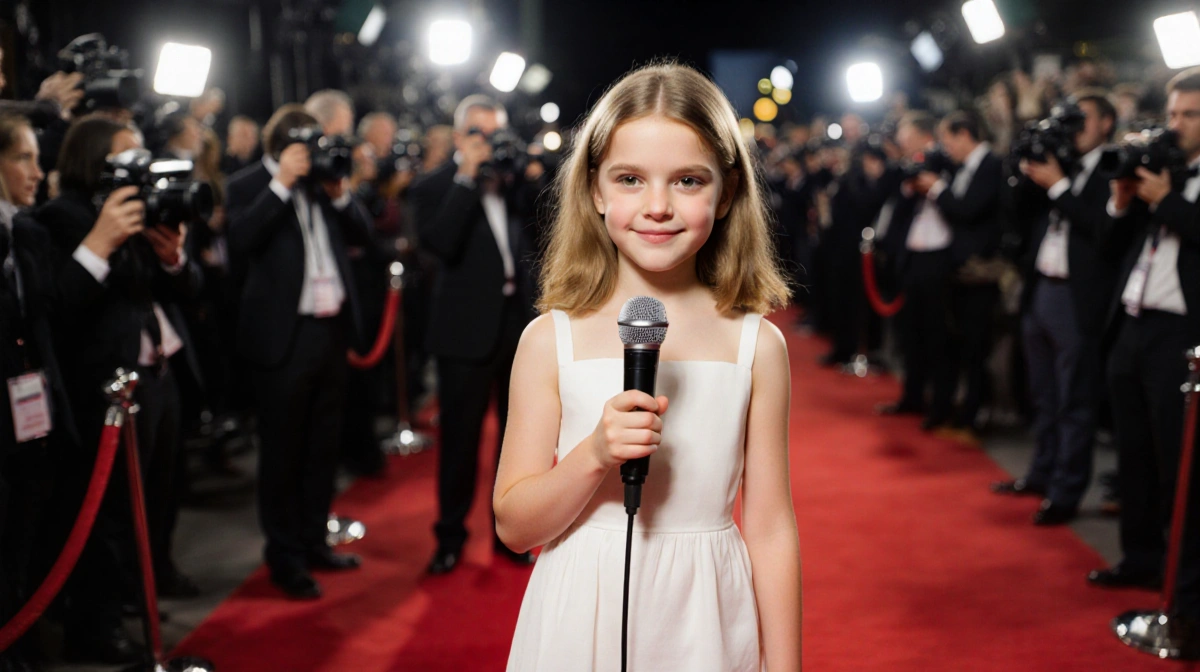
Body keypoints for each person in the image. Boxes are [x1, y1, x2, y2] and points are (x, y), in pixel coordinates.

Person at [495, 63, 801, 671]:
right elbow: (515, 526)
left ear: (726, 193)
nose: (657, 207)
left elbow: (770, 528)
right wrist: (592, 455)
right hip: (579, 614)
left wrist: (785, 666)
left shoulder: (757, 345)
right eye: (630, 179)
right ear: (595, 190)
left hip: (706, 618)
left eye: (688, 180)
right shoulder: (549, 339)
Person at [40, 114, 203, 663]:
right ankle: (97, 626)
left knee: (156, 497)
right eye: (128, 157)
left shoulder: (140, 210)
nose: (142, 166)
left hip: (157, 374)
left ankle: (141, 592)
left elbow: (188, 290)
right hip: (105, 389)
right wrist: (99, 245)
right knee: (106, 512)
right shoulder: (61, 218)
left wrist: (172, 256)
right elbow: (57, 309)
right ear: (96, 162)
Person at [226, 104, 372, 600]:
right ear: (282, 147)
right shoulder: (248, 184)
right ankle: (284, 556)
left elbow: (364, 237)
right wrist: (281, 184)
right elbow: (240, 240)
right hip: (283, 338)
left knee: (322, 446)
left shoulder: (321, 184)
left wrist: (339, 192)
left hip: (330, 332)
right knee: (283, 452)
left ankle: (314, 540)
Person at [1088, 68, 1200, 656]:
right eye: (1173, 114)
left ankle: (1185, 597)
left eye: (1190, 116)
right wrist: (1121, 202)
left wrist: (1169, 202)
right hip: (1132, 325)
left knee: (1181, 466)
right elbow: (1108, 252)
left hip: (1182, 334)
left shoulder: (1175, 188)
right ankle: (1140, 558)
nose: (1176, 125)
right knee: (1133, 451)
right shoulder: (1161, 172)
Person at [410, 95, 542, 574]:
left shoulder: (510, 181)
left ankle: (510, 534)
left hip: (515, 323)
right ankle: (450, 536)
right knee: (460, 441)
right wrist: (467, 178)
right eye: (478, 134)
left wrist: (528, 176)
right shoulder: (434, 185)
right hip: (463, 331)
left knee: (518, 439)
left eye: (495, 134)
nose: (489, 144)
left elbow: (544, 230)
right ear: (459, 136)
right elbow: (439, 245)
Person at [992, 90, 1120, 525]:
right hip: (1042, 288)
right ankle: (1041, 473)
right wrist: (1025, 170)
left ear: (1106, 123)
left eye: (1082, 119)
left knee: (1074, 400)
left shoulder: (1113, 167)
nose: (1073, 129)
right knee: (1042, 394)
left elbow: (1103, 230)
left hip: (1077, 298)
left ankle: (1067, 490)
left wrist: (1059, 185)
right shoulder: (1059, 163)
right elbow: (1016, 214)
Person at [0, 113, 78, 672]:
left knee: (23, 542)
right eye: (23, 157)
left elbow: (47, 317)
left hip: (31, 412)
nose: (37, 170)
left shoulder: (28, 232)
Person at [928, 111, 1004, 433]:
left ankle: (974, 416)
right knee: (955, 345)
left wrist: (936, 189)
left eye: (948, 142)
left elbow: (968, 210)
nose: (946, 150)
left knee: (976, 348)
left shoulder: (992, 165)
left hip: (980, 272)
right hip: (958, 271)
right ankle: (955, 410)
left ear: (964, 135)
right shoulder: (962, 168)